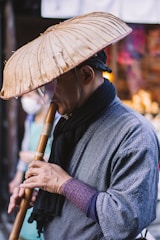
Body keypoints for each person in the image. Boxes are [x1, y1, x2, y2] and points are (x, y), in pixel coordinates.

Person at [8, 52, 159, 239]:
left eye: (52, 85)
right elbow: (79, 204)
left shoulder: (135, 133)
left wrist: (64, 184)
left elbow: (125, 220)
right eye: (43, 89)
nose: (49, 97)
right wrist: (42, 196)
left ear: (86, 75)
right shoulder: (70, 125)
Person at [9, 90, 60, 240]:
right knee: (25, 217)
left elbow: (59, 157)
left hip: (46, 177)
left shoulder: (55, 121)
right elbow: (25, 148)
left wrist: (33, 157)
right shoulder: (29, 120)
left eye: (29, 96)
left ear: (43, 96)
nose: (26, 100)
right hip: (30, 177)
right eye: (24, 97)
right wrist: (17, 177)